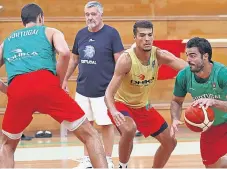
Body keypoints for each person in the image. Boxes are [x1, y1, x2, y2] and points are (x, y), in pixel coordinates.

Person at [0, 3, 107, 168]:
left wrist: (8, 90)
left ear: (23, 22)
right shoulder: (50, 31)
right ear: (41, 18)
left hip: (17, 88)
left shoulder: (7, 41)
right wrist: (58, 81)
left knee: (7, 145)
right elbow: (64, 53)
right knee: (91, 135)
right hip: (46, 83)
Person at [105, 20, 188, 168]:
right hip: (121, 104)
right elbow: (109, 93)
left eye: (150, 35)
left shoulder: (159, 55)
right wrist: (113, 110)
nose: (147, 39)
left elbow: (187, 70)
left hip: (143, 106)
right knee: (129, 129)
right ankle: (122, 166)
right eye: (142, 35)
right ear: (134, 38)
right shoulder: (126, 60)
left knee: (170, 142)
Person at [63, 1, 124, 168]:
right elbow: (74, 59)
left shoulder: (112, 34)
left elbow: (121, 61)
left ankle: (108, 159)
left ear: (101, 14)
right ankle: (88, 159)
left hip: (104, 91)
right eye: (87, 14)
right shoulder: (81, 34)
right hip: (83, 89)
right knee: (85, 126)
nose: (90, 17)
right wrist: (64, 79)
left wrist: (117, 86)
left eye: (93, 14)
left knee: (106, 125)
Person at [170, 37, 227, 168]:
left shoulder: (222, 74)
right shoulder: (184, 76)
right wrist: (174, 118)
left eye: (193, 55)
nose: (188, 60)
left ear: (205, 56)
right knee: (212, 166)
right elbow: (176, 101)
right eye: (187, 55)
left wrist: (213, 102)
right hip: (211, 127)